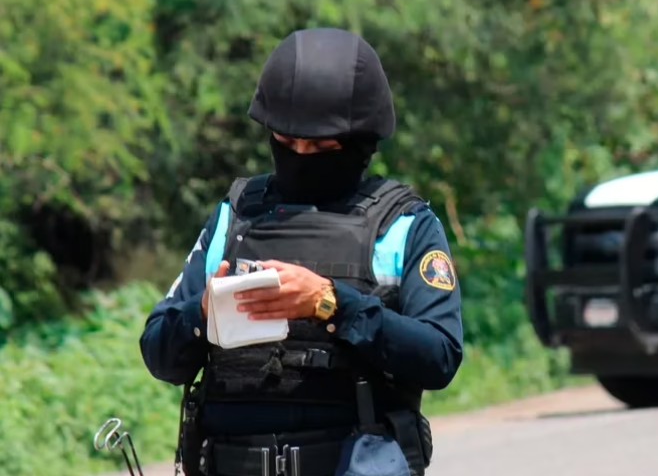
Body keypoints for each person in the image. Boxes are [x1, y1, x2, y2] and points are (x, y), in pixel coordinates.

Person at [139, 28, 464, 476]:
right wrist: (204, 313)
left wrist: (329, 303)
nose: (300, 156)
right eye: (287, 143)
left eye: (321, 147)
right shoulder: (234, 218)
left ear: (361, 144)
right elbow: (158, 351)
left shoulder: (403, 226)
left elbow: (439, 357)